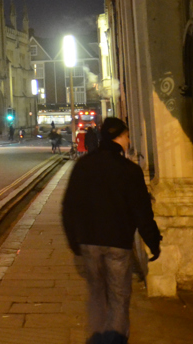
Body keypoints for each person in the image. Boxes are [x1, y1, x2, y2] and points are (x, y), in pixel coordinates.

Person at [62, 117, 162, 344]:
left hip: (88, 242)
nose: (128, 141)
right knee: (118, 298)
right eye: (127, 136)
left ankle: (98, 338)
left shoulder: (83, 166)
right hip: (118, 243)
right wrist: (153, 241)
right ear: (119, 137)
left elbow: (69, 206)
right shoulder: (130, 170)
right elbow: (142, 212)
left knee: (97, 295)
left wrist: (73, 240)